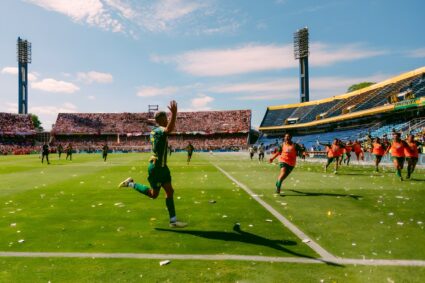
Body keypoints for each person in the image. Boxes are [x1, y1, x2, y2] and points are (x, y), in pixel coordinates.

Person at [118, 100, 187, 228]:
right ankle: (131, 183)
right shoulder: (161, 129)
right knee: (153, 194)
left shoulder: (154, 131)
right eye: (166, 118)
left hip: (162, 167)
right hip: (157, 168)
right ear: (162, 119)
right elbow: (169, 129)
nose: (167, 120)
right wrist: (175, 113)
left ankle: (173, 221)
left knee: (169, 191)